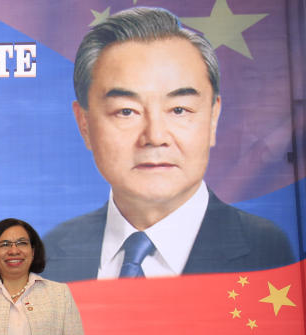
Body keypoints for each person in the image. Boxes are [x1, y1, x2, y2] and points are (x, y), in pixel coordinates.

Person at [43, 7, 292, 282]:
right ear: (85, 124)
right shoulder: (51, 256)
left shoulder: (267, 252)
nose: (155, 136)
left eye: (179, 110)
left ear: (212, 118)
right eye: (127, 111)